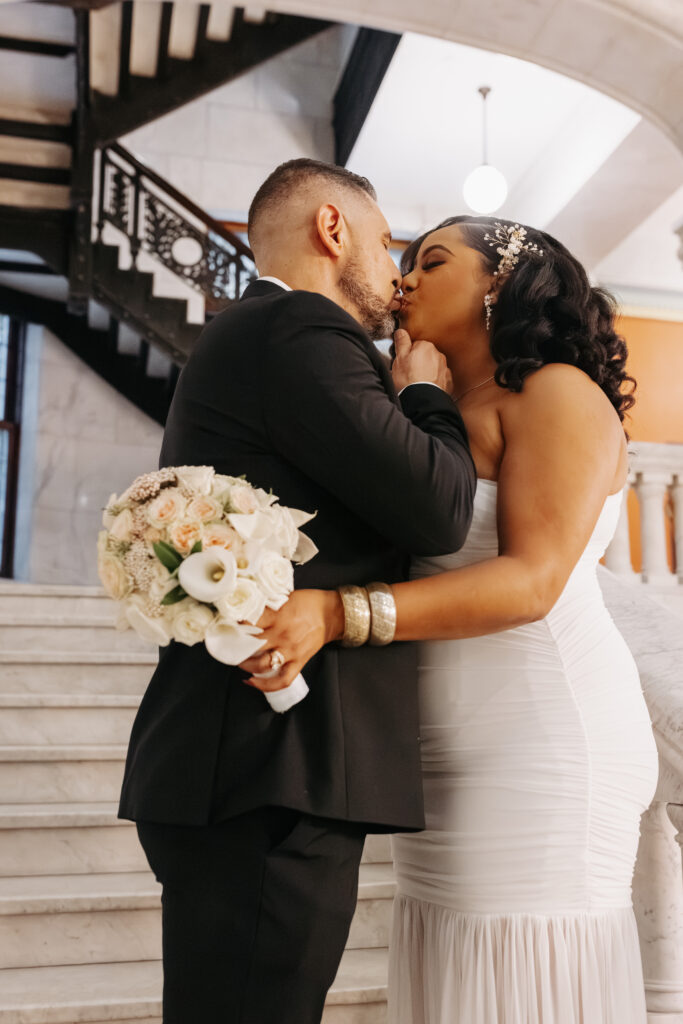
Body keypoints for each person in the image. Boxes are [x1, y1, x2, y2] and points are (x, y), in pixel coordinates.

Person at [241, 215, 660, 1024]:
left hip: (542, 741)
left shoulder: (555, 392)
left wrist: (337, 613)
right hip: (437, 747)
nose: (403, 281)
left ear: (499, 284)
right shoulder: (425, 404)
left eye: (430, 262)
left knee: (520, 977)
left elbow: (531, 581)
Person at [117, 162, 477, 1023]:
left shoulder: (253, 333)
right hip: (270, 770)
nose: (394, 274)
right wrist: (425, 391)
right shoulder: (298, 327)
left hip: (242, 767)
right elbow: (436, 509)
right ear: (331, 227)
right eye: (388, 242)